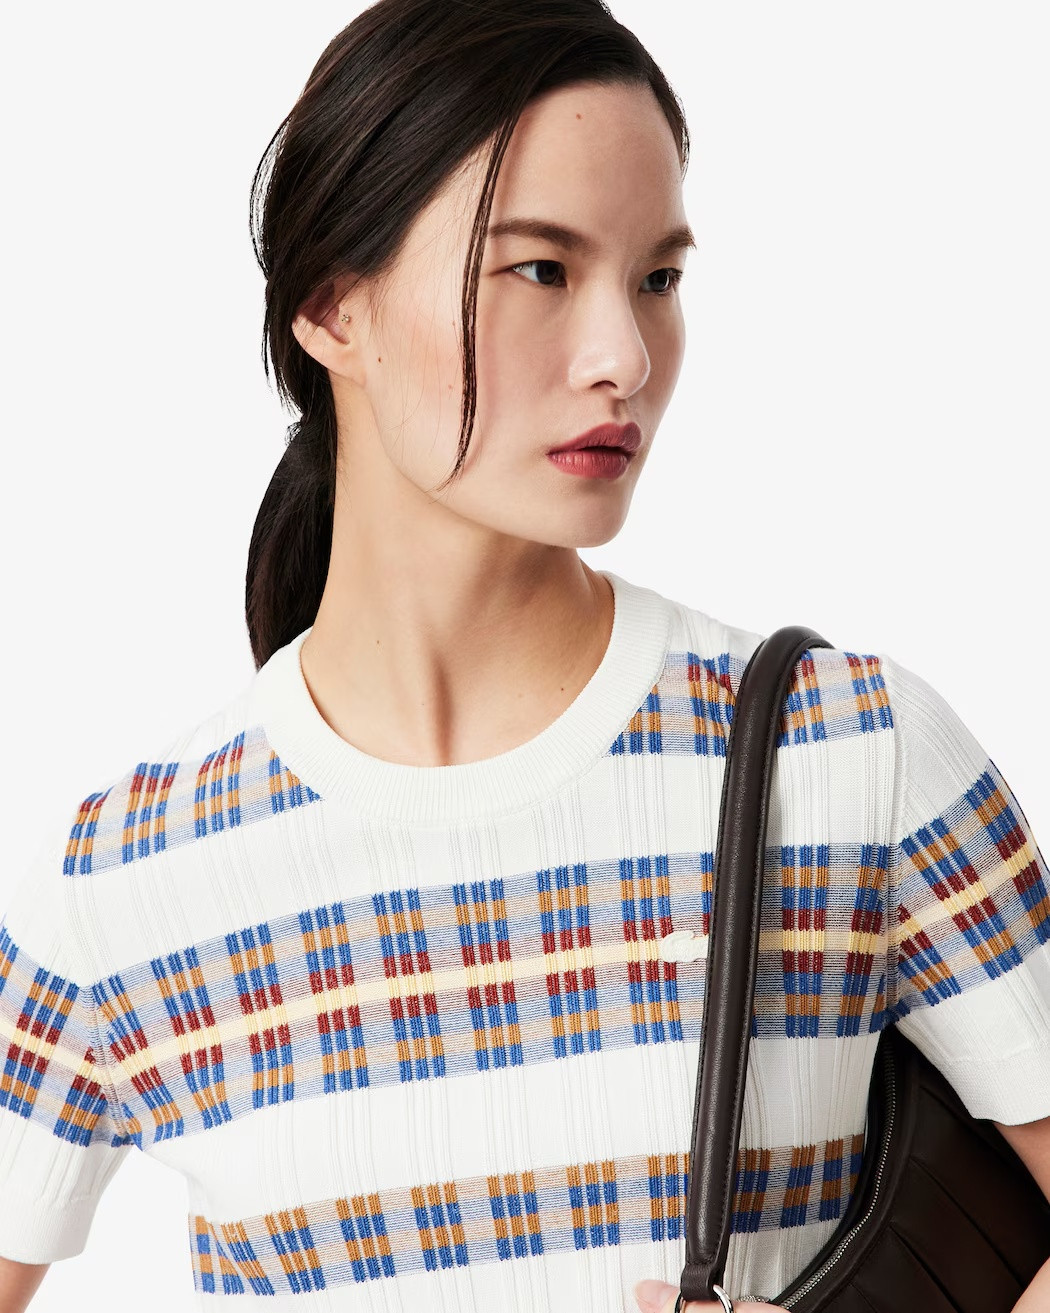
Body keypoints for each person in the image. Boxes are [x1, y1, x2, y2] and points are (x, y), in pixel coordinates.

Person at [1, 1, 1048, 1310]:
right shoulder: (125, 877)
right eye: (541, 270)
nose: (624, 357)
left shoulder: (843, 751)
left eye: (656, 278)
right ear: (331, 305)